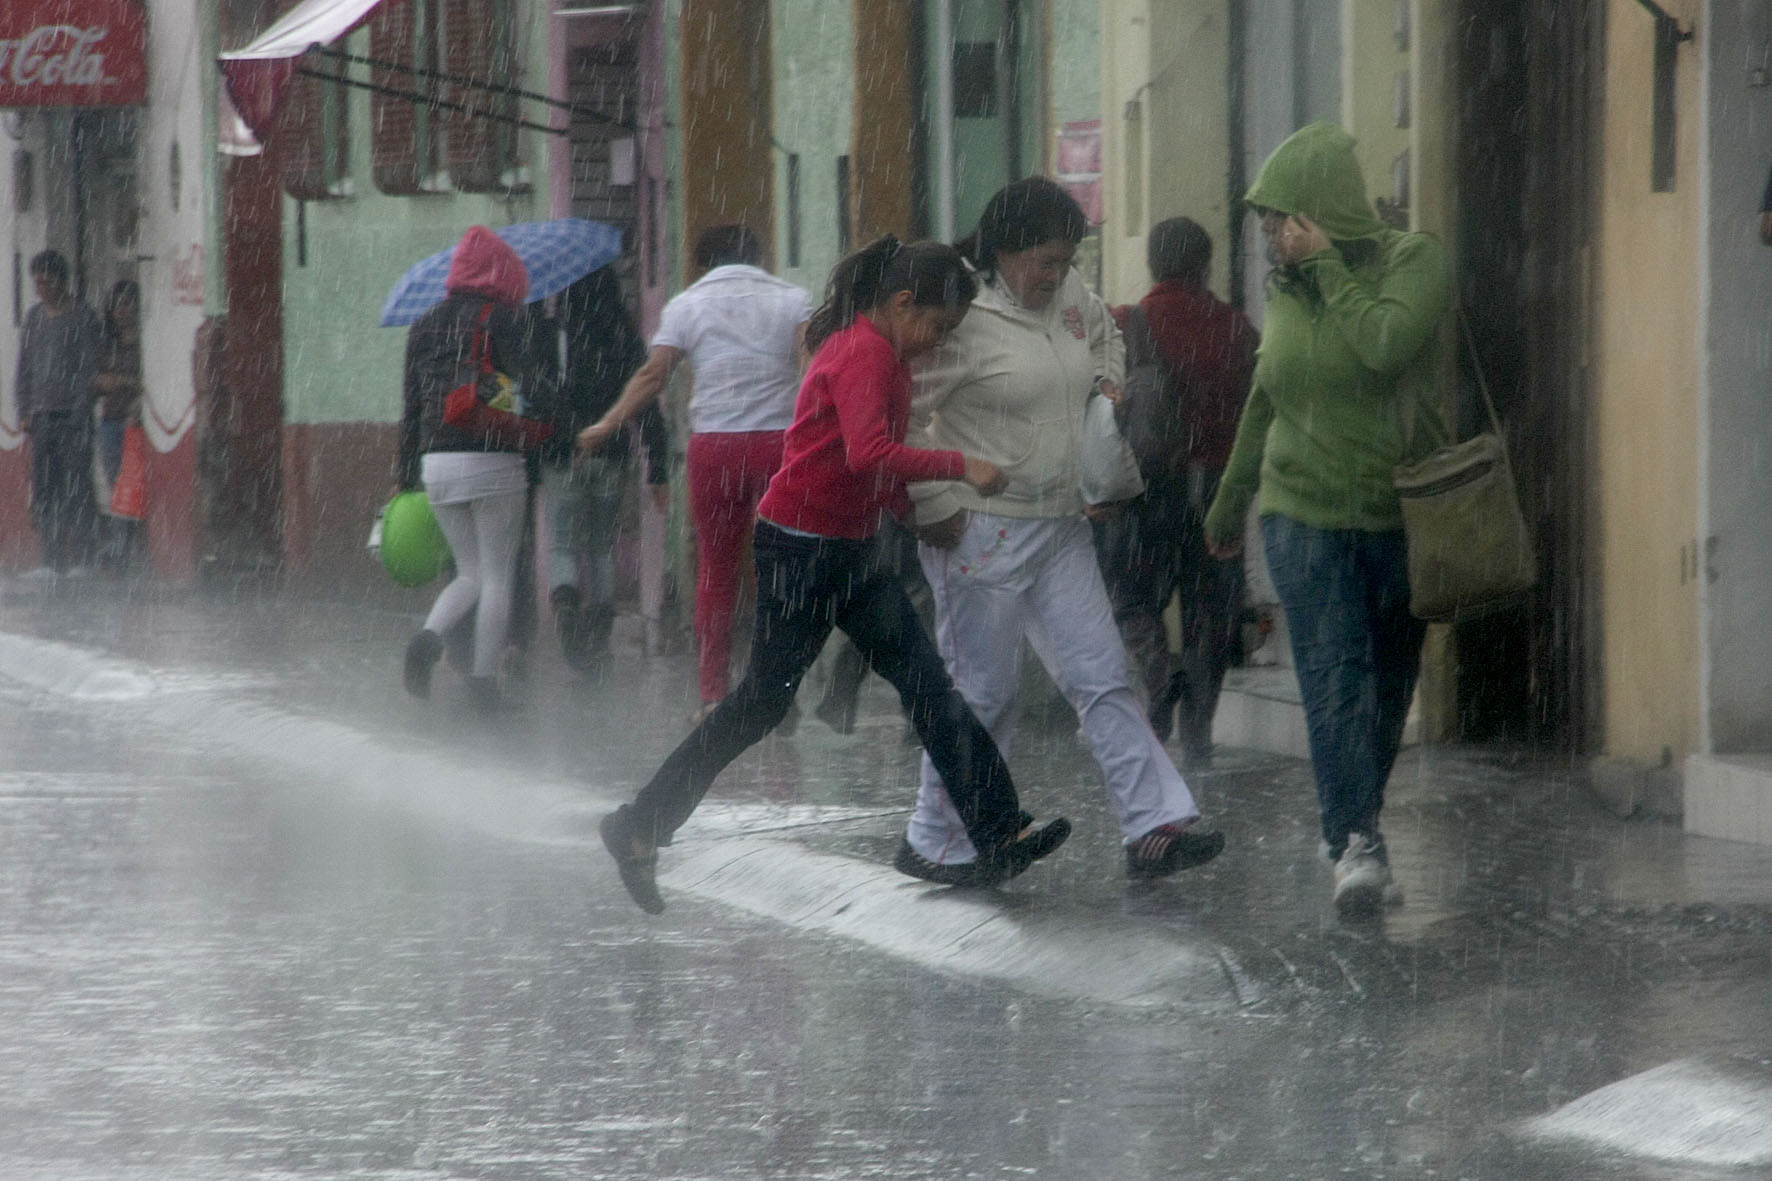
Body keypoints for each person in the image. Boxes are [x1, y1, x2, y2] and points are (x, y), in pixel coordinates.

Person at [595, 236, 1071, 914]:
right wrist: (959, 465)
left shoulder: (889, 355)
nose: (939, 343)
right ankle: (640, 822)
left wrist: (914, 518)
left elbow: (868, 468)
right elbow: (867, 449)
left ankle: (998, 829)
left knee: (928, 685)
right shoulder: (862, 354)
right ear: (903, 303)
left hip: (848, 549)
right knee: (764, 702)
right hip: (801, 550)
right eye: (937, 327)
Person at [904, 177, 1226, 883]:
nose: (1058, 274)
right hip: (976, 531)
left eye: (1067, 259)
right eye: (1045, 261)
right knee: (983, 693)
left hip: (1060, 527)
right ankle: (938, 837)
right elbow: (902, 420)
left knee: (1103, 675)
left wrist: (1109, 381)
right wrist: (934, 506)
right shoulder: (963, 316)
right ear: (1005, 250)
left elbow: (1108, 333)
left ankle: (1153, 824)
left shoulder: (1071, 297)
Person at [1202, 122, 1450, 916]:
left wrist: (1332, 267)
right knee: (1336, 678)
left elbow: (1384, 343)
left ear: (1326, 211)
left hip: (1401, 512)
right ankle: (1357, 845)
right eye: (1267, 222)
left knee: (1385, 687)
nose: (1273, 235)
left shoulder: (1416, 261)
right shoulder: (1288, 291)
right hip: (1300, 511)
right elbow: (1266, 397)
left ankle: (1351, 826)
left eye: (1283, 217)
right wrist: (1230, 500)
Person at [578, 225, 811, 721]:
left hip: (716, 450)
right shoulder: (794, 300)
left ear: (704, 262)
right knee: (778, 569)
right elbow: (812, 371)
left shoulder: (686, 305)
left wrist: (607, 423)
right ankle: (778, 690)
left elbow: (653, 376)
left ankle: (712, 695)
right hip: (780, 448)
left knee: (717, 568)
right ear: (760, 254)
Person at [1095, 218, 1257, 769]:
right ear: (1206, 264)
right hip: (1218, 486)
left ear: (1154, 263)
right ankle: (1199, 737)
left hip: (1150, 487)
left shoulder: (1129, 324)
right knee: (1210, 614)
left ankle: (1160, 675)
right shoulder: (1238, 329)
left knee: (1130, 598)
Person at [396, 225, 553, 708]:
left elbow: (412, 406)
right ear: (505, 273)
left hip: (436, 462)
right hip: (493, 458)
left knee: (469, 573)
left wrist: (405, 476)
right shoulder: (508, 319)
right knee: (498, 578)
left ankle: (427, 638)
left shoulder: (424, 324)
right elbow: (535, 391)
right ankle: (484, 684)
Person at [539, 267, 668, 671]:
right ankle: (598, 636)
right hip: (610, 455)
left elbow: (538, 395)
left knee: (562, 543)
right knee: (600, 547)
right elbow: (647, 405)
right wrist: (657, 464)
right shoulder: (624, 338)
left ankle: (566, 613)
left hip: (563, 453)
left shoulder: (552, 337)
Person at [15, 250, 103, 579]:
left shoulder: (82, 317)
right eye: (37, 282)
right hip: (41, 419)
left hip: (73, 418)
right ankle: (50, 559)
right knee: (45, 490)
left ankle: (83, 557)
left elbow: (88, 370)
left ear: (60, 281)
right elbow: (24, 369)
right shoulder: (35, 319)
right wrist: (24, 409)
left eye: (46, 281)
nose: (41, 289)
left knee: (77, 488)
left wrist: (80, 411)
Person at [92, 279, 144, 570]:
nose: (123, 310)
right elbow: (95, 380)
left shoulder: (145, 344)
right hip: (110, 421)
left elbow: (146, 383)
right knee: (116, 484)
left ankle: (128, 546)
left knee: (133, 485)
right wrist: (104, 381)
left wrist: (123, 381)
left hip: (135, 423)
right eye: (118, 304)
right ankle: (119, 546)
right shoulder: (107, 344)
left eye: (128, 303)